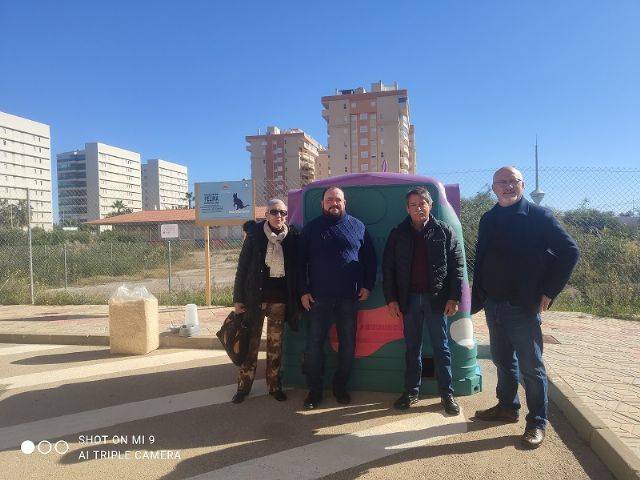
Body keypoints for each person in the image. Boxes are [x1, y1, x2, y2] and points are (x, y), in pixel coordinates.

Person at [472, 166, 579, 448]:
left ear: (522, 185)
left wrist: (549, 291)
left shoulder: (539, 216)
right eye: (501, 182)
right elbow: (481, 259)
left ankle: (537, 422)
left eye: (513, 181)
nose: (507, 186)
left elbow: (570, 251)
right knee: (503, 361)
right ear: (493, 187)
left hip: (522, 307)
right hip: (493, 305)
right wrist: (479, 296)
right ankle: (507, 407)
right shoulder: (488, 218)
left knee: (531, 368)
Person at [383, 187, 464, 415]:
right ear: (407, 209)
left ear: (430, 205)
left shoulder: (444, 231)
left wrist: (454, 297)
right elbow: (388, 269)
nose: (418, 208)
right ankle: (411, 391)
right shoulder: (398, 233)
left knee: (442, 347)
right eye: (413, 204)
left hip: (437, 300)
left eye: (422, 203)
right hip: (408, 301)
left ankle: (447, 394)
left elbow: (458, 267)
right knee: (412, 348)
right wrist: (391, 300)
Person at [298, 186, 377, 409]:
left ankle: (340, 387)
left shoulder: (358, 227)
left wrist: (368, 285)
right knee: (313, 346)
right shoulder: (311, 229)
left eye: (338, 200)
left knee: (348, 344)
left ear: (345, 203)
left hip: (349, 298)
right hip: (317, 299)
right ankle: (314, 391)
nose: (334, 203)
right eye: (329, 199)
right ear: (322, 203)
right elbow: (298, 263)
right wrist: (303, 291)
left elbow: (370, 259)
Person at [231, 198, 300, 404]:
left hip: (280, 301)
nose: (279, 216)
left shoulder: (292, 237)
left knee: (275, 346)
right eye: (274, 212)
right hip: (255, 300)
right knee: (250, 344)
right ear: (266, 215)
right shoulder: (254, 236)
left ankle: (274, 385)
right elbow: (242, 269)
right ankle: (244, 386)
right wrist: (238, 298)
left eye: (283, 212)